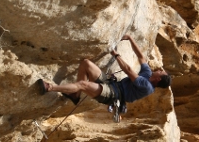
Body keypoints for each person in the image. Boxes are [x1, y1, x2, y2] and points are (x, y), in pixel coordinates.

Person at [37, 34, 171, 106]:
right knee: (85, 64)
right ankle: (75, 95)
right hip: (112, 84)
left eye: (160, 72)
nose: (159, 70)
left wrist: (116, 55)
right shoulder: (148, 74)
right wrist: (130, 38)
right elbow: (141, 57)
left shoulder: (147, 86)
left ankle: (49, 88)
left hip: (112, 95)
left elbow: (128, 70)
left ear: (158, 78)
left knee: (83, 85)